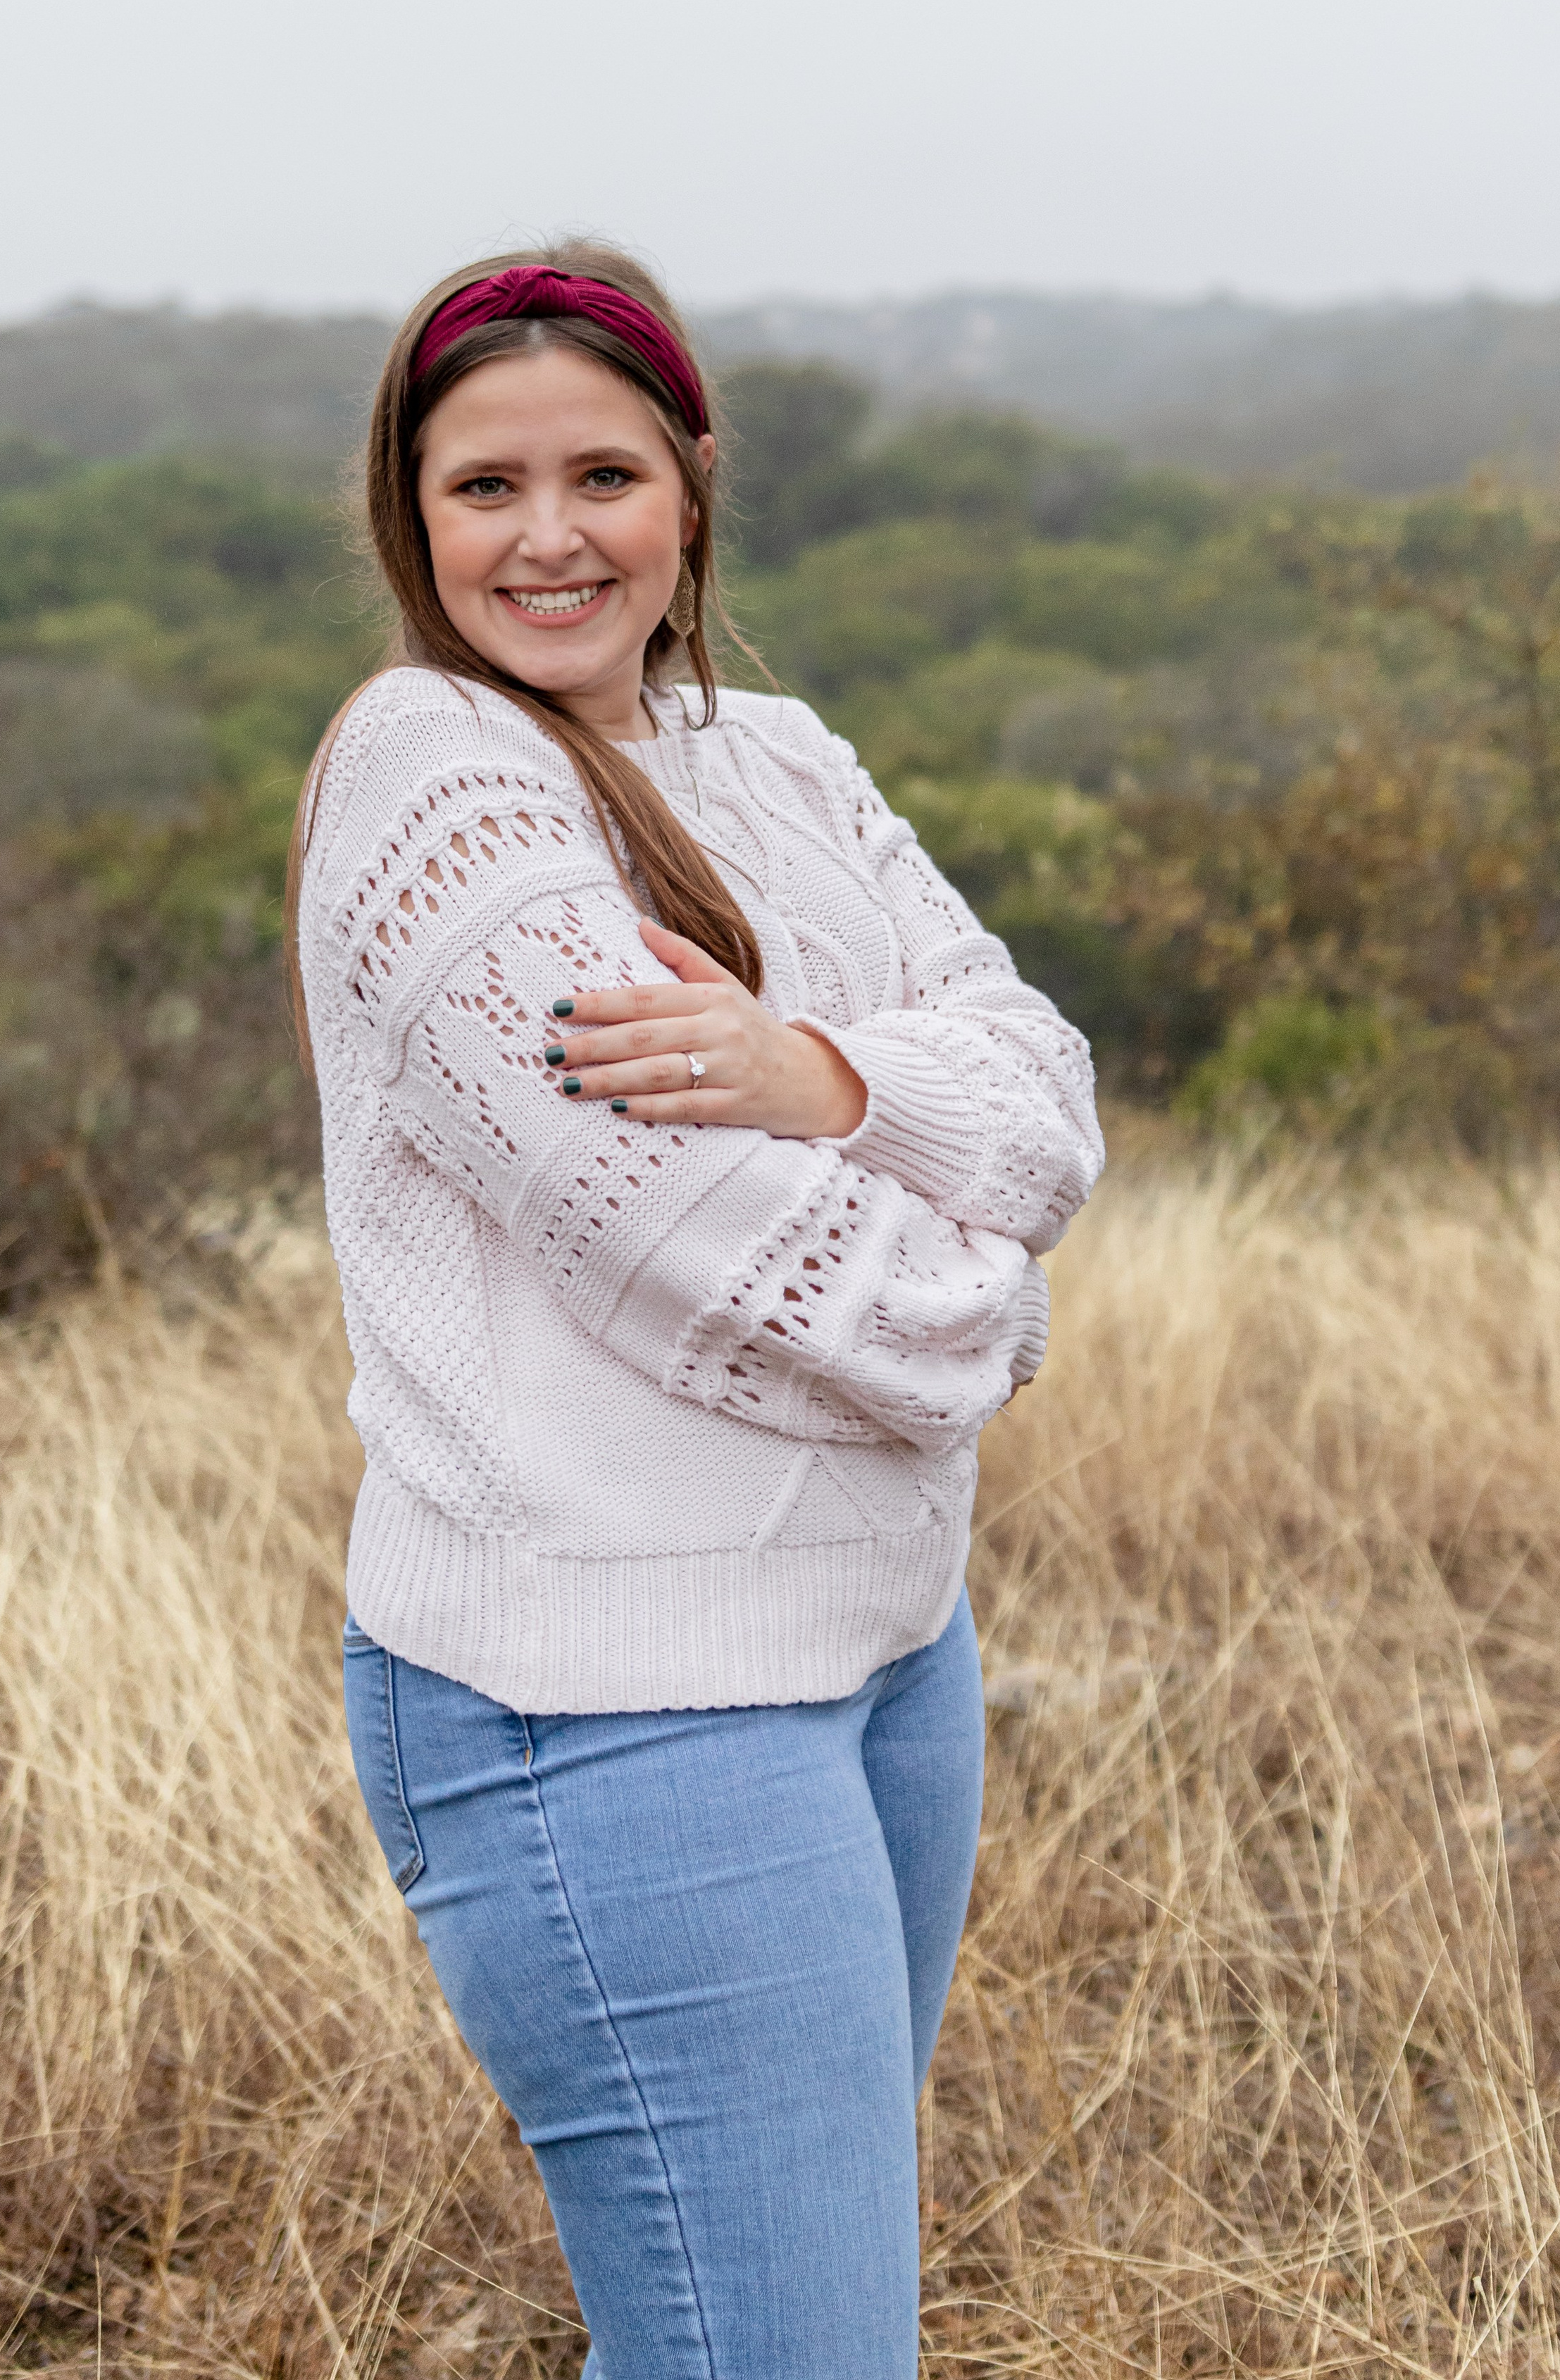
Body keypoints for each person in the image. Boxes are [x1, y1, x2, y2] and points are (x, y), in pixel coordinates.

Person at [288, 241, 1102, 2379]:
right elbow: (751, 1269)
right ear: (412, 513)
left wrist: (823, 1073)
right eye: (485, 489)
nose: (549, 538)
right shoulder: (437, 785)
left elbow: (1047, 1091)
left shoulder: (785, 759)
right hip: (613, 1710)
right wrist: (994, 1301)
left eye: (602, 475)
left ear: (694, 487)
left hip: (888, 1655)